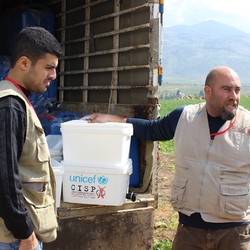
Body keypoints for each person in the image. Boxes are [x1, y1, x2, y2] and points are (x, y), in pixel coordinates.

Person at [82, 66, 250, 250]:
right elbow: (153, 129)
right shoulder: (185, 117)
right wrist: (114, 119)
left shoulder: (247, 125)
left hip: (234, 232)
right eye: (227, 89)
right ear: (208, 91)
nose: (234, 96)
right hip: (191, 229)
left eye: (237, 90)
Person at [0, 27, 62, 250]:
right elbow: (5, 178)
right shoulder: (10, 106)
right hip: (14, 238)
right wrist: (25, 234)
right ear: (24, 63)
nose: (53, 76)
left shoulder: (16, 100)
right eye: (49, 67)